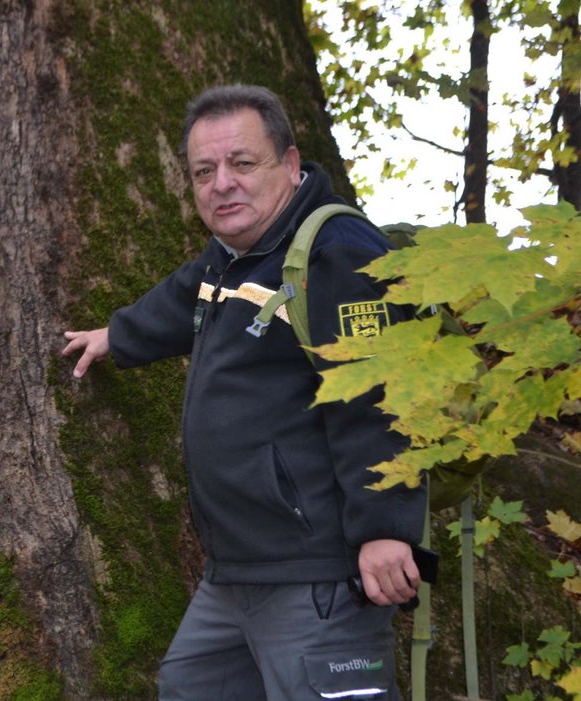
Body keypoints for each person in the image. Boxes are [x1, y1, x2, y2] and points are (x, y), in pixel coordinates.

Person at [61, 85, 427, 700]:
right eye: (204, 171)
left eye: (242, 163)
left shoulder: (338, 255)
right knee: (188, 687)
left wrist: (385, 528)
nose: (221, 184)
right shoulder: (235, 257)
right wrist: (118, 335)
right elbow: (185, 295)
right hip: (236, 572)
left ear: (289, 163)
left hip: (317, 575)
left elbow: (379, 400)